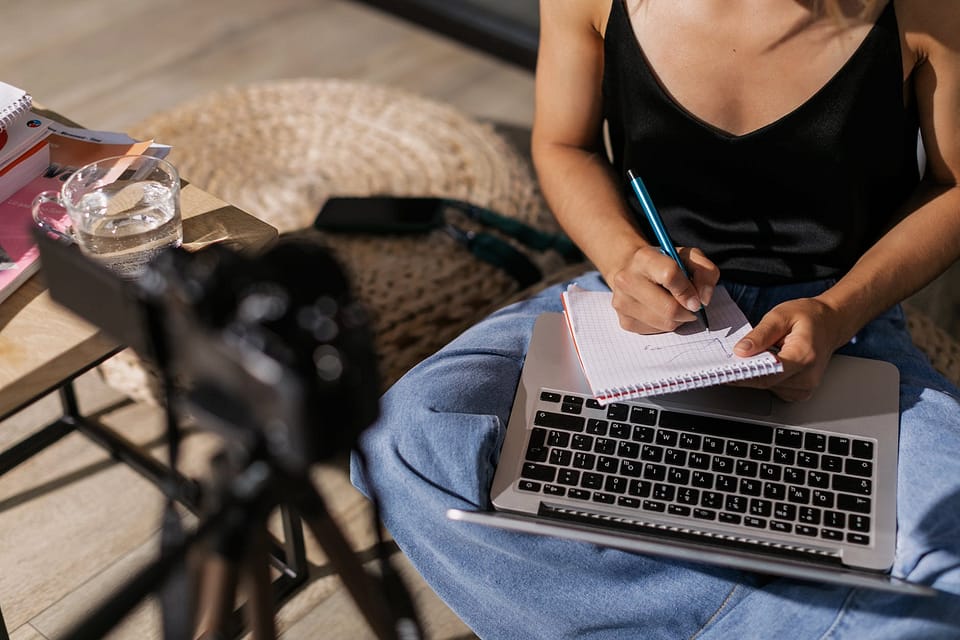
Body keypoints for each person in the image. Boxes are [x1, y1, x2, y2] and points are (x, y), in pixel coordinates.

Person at [351, 0, 960, 637]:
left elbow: (953, 184)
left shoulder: (925, 11)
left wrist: (838, 311)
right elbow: (564, 145)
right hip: (644, 305)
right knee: (403, 436)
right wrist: (623, 261)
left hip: (847, 320)